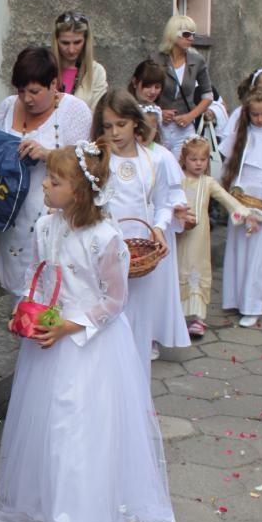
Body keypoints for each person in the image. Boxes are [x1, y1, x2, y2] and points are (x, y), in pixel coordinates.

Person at [0, 139, 176, 522]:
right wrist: (26, 312)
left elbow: (114, 299)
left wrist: (70, 326)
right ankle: (49, 504)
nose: (44, 186)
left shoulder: (106, 238)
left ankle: (82, 521)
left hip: (89, 345)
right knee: (51, 424)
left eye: (54, 181)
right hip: (49, 340)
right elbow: (37, 276)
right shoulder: (45, 226)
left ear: (78, 192)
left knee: (80, 426)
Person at [91, 89, 189, 375]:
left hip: (141, 253)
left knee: (138, 321)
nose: (115, 133)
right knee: (110, 320)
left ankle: (137, 382)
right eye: (108, 126)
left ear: (135, 121)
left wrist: (158, 228)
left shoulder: (154, 160)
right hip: (105, 253)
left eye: (121, 124)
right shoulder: (97, 160)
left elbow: (163, 201)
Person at [0, 44, 91, 298]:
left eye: (35, 91)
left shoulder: (74, 110)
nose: (27, 98)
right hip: (14, 214)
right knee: (21, 296)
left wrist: (49, 155)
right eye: (21, 90)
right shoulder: (7, 107)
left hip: (55, 216)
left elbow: (87, 165)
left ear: (54, 84)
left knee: (55, 292)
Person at [176, 136, 261, 337]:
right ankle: (176, 315)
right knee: (177, 269)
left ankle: (198, 318)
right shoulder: (176, 180)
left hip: (199, 237)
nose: (199, 164)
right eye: (193, 159)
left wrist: (246, 215)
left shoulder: (208, 182)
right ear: (184, 159)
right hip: (178, 234)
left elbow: (227, 199)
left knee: (198, 269)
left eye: (203, 159)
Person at [220, 87, 262, 327]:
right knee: (239, 251)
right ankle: (235, 298)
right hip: (242, 201)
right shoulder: (241, 134)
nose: (259, 119)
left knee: (260, 258)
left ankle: (253, 305)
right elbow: (228, 165)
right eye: (255, 114)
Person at [153, 15, 214, 157]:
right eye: (186, 34)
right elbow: (143, 92)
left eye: (193, 34)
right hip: (158, 126)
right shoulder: (156, 59)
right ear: (173, 34)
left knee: (184, 166)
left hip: (184, 128)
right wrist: (158, 112)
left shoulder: (197, 60)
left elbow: (208, 95)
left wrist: (190, 116)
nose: (191, 38)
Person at [51, 9, 107, 109]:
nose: (71, 50)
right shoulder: (43, 68)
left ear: (86, 41)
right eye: (65, 43)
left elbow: (98, 113)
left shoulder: (96, 72)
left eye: (77, 42)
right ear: (56, 41)